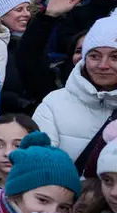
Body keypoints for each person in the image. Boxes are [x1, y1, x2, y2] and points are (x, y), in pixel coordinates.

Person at [33, 14, 117, 161]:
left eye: (115, 57)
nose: (103, 65)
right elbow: (39, 166)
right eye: (94, 56)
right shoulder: (53, 105)